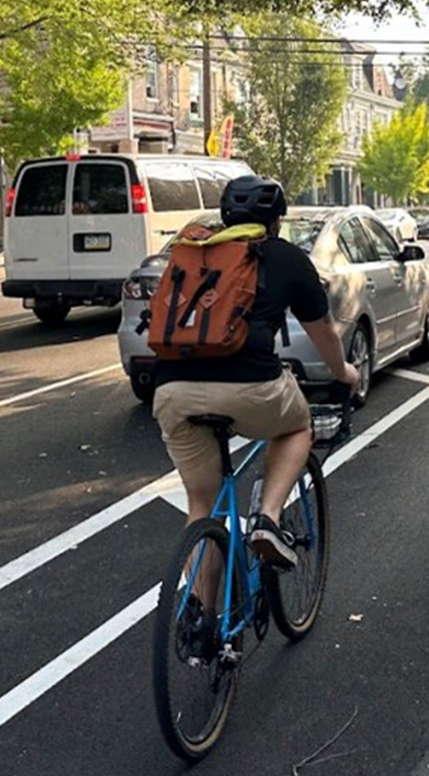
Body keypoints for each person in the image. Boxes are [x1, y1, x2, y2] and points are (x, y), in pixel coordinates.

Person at [152, 175, 360, 568]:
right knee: (297, 427)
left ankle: (200, 619)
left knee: (204, 505)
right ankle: (268, 518)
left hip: (172, 388)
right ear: (277, 220)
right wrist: (344, 371)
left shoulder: (193, 253)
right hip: (249, 385)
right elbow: (325, 333)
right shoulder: (285, 258)